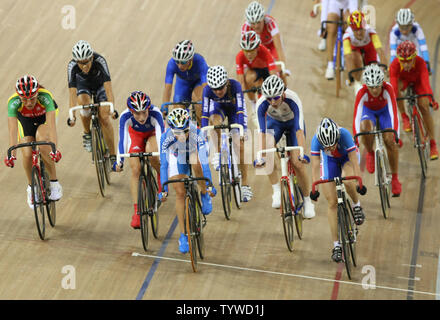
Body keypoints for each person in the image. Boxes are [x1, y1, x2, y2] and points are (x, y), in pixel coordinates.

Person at [253, 75, 315, 218]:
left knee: (297, 163)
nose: (273, 102)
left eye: (276, 97)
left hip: (293, 126)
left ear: (283, 93)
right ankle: (276, 190)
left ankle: (307, 201)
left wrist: (302, 153)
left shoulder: (293, 99)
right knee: (267, 151)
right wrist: (261, 156)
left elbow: (299, 130)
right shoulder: (261, 103)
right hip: (275, 125)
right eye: (269, 98)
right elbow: (262, 131)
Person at [309, 118, 367, 263]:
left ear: (337, 138)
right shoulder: (316, 140)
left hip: (347, 158)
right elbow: (315, 166)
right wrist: (314, 188)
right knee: (332, 202)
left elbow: (354, 160)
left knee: (347, 180)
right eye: (326, 147)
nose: (330, 148)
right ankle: (336, 246)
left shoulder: (345, 134)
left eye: (333, 145)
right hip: (330, 162)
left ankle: (356, 205)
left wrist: (359, 182)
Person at [159, 108, 216, 253]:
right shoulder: (165, 137)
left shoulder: (196, 133)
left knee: (196, 161)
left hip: (193, 151)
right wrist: (163, 190)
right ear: (171, 129)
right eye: (178, 132)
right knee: (180, 193)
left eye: (185, 131)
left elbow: (204, 162)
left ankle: (203, 194)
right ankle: (183, 235)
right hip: (177, 156)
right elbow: (164, 165)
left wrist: (209, 185)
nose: (183, 135)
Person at [5, 75, 63, 209]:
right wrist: (11, 154)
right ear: (19, 97)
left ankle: (54, 182)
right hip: (25, 121)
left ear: (37, 93)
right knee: (26, 152)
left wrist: (54, 150)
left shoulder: (45, 97)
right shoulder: (13, 103)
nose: (29, 103)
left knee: (43, 141)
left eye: (32, 98)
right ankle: (31, 188)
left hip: (44, 118)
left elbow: (52, 127)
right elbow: (13, 131)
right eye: (24, 99)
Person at [113, 91, 164, 229]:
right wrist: (119, 161)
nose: (141, 117)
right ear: (131, 111)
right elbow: (122, 140)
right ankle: (137, 212)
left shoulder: (156, 113)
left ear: (148, 109)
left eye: (144, 113)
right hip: (136, 136)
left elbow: (161, 138)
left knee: (152, 153)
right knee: (135, 169)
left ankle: (160, 175)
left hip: (153, 134)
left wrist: (163, 159)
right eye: (137, 113)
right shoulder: (125, 116)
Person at [202, 65, 253, 202]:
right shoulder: (207, 90)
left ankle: (245, 185)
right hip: (219, 110)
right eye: (215, 89)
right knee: (214, 122)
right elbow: (205, 114)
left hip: (235, 112)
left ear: (227, 83)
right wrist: (202, 135)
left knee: (239, 144)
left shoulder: (235, 86)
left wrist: (241, 130)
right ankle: (219, 153)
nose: (218, 91)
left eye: (221, 88)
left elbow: (241, 110)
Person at [352, 64, 402, 196]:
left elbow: (394, 113)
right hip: (369, 112)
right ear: (366, 85)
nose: (374, 90)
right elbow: (356, 116)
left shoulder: (388, 88)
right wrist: (356, 138)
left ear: (382, 83)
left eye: (377, 86)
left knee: (390, 141)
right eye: (371, 87)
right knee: (364, 128)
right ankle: (370, 152)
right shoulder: (361, 92)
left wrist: (397, 134)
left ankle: (395, 178)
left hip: (385, 112)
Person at [67, 40, 117, 163]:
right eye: (80, 63)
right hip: (83, 86)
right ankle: (87, 133)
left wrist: (112, 109)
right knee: (83, 102)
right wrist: (72, 116)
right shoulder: (72, 66)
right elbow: (72, 93)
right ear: (76, 61)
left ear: (92, 57)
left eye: (86, 62)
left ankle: (113, 155)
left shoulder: (100, 61)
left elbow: (108, 88)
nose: (84, 66)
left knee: (104, 117)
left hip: (100, 86)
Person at [389, 41, 439, 160]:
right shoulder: (394, 65)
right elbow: (393, 87)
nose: (406, 65)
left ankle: (432, 143)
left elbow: (426, 84)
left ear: (414, 58)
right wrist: (393, 100)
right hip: (404, 81)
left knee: (424, 106)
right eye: (403, 61)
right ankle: (405, 116)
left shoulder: (421, 63)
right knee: (396, 93)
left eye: (409, 61)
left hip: (418, 82)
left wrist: (431, 99)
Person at [161, 40, 209, 124]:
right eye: (177, 61)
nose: (180, 66)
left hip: (199, 82)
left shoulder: (199, 61)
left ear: (191, 59)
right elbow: (168, 88)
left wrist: (205, 104)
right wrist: (165, 107)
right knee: (177, 111)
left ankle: (202, 128)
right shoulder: (171, 64)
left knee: (198, 100)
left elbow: (206, 86)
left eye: (183, 62)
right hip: (183, 84)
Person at [236, 30, 277, 126]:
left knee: (277, 83)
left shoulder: (265, 52)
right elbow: (241, 81)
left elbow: (274, 76)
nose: (249, 54)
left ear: (258, 47)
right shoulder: (240, 56)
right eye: (246, 51)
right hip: (254, 72)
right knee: (249, 79)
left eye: (251, 51)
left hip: (266, 70)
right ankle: (255, 107)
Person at [241, 1, 290, 83]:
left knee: (280, 71)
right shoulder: (246, 28)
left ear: (263, 19)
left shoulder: (271, 23)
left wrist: (282, 67)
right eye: (253, 23)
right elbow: (246, 51)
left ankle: (285, 90)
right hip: (256, 48)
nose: (256, 26)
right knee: (248, 77)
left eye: (259, 22)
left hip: (271, 46)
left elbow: (279, 48)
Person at [343, 10, 388, 94]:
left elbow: (379, 51)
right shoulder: (347, 35)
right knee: (356, 59)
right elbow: (348, 57)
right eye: (356, 30)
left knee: (374, 71)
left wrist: (385, 67)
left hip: (368, 48)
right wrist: (350, 75)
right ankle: (357, 83)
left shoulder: (371, 32)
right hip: (355, 49)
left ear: (364, 27)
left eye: (360, 29)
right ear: (352, 30)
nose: (359, 33)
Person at [324, 0, 358, 79]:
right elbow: (325, 4)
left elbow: (353, 7)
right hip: (333, 5)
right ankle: (330, 64)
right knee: (331, 29)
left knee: (351, 26)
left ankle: (352, 63)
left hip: (348, 6)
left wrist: (353, 24)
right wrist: (323, 24)